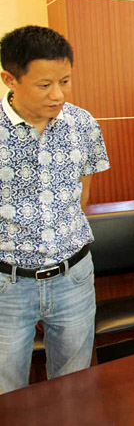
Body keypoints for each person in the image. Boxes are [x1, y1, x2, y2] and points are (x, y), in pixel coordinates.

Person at [0, 26, 110, 393]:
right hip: (7, 283)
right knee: (7, 390)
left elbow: (82, 196)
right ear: (10, 79)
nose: (58, 94)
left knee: (74, 385)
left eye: (65, 81)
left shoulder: (82, 124)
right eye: (44, 85)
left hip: (72, 276)